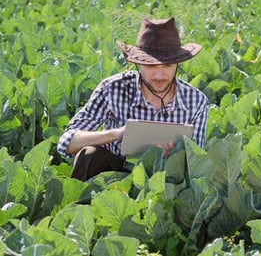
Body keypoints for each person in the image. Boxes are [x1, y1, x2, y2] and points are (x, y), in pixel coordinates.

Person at [57, 17, 209, 181]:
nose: (159, 75)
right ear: (138, 64)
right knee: (90, 155)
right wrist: (118, 134)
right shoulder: (112, 88)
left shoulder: (196, 101)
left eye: (167, 65)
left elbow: (195, 164)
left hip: (165, 181)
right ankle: (82, 206)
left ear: (177, 64)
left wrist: (174, 154)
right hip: (113, 178)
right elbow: (66, 143)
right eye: (151, 65)